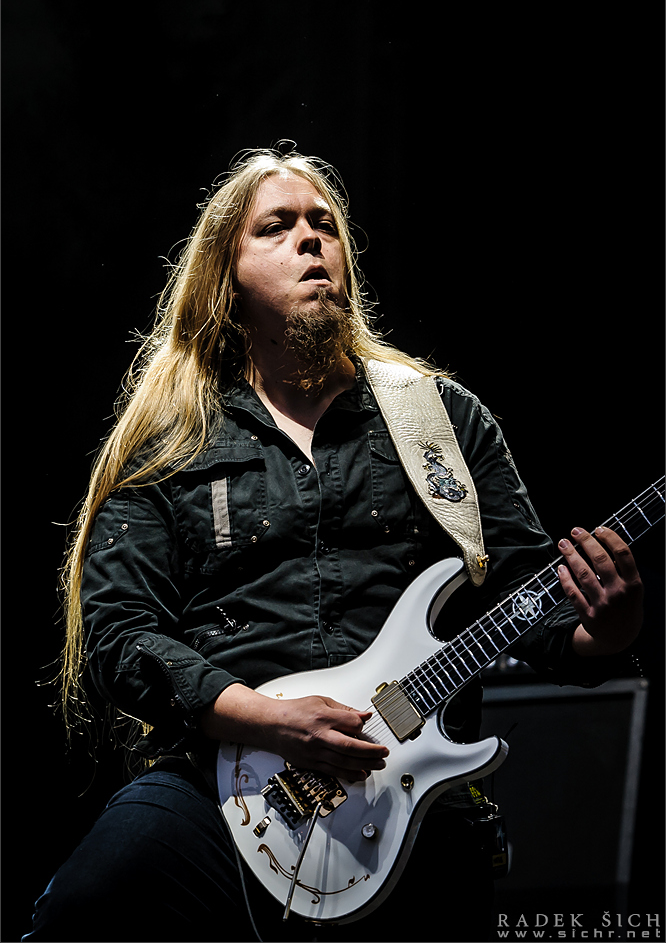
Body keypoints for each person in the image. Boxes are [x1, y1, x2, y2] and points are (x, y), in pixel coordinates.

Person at [24, 147, 644, 943]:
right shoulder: (172, 443)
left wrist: (607, 629)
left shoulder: (440, 421)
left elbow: (531, 603)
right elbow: (119, 634)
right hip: (218, 789)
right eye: (277, 227)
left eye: (324, 224)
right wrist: (263, 720)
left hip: (409, 794)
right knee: (85, 904)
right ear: (226, 279)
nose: (311, 238)